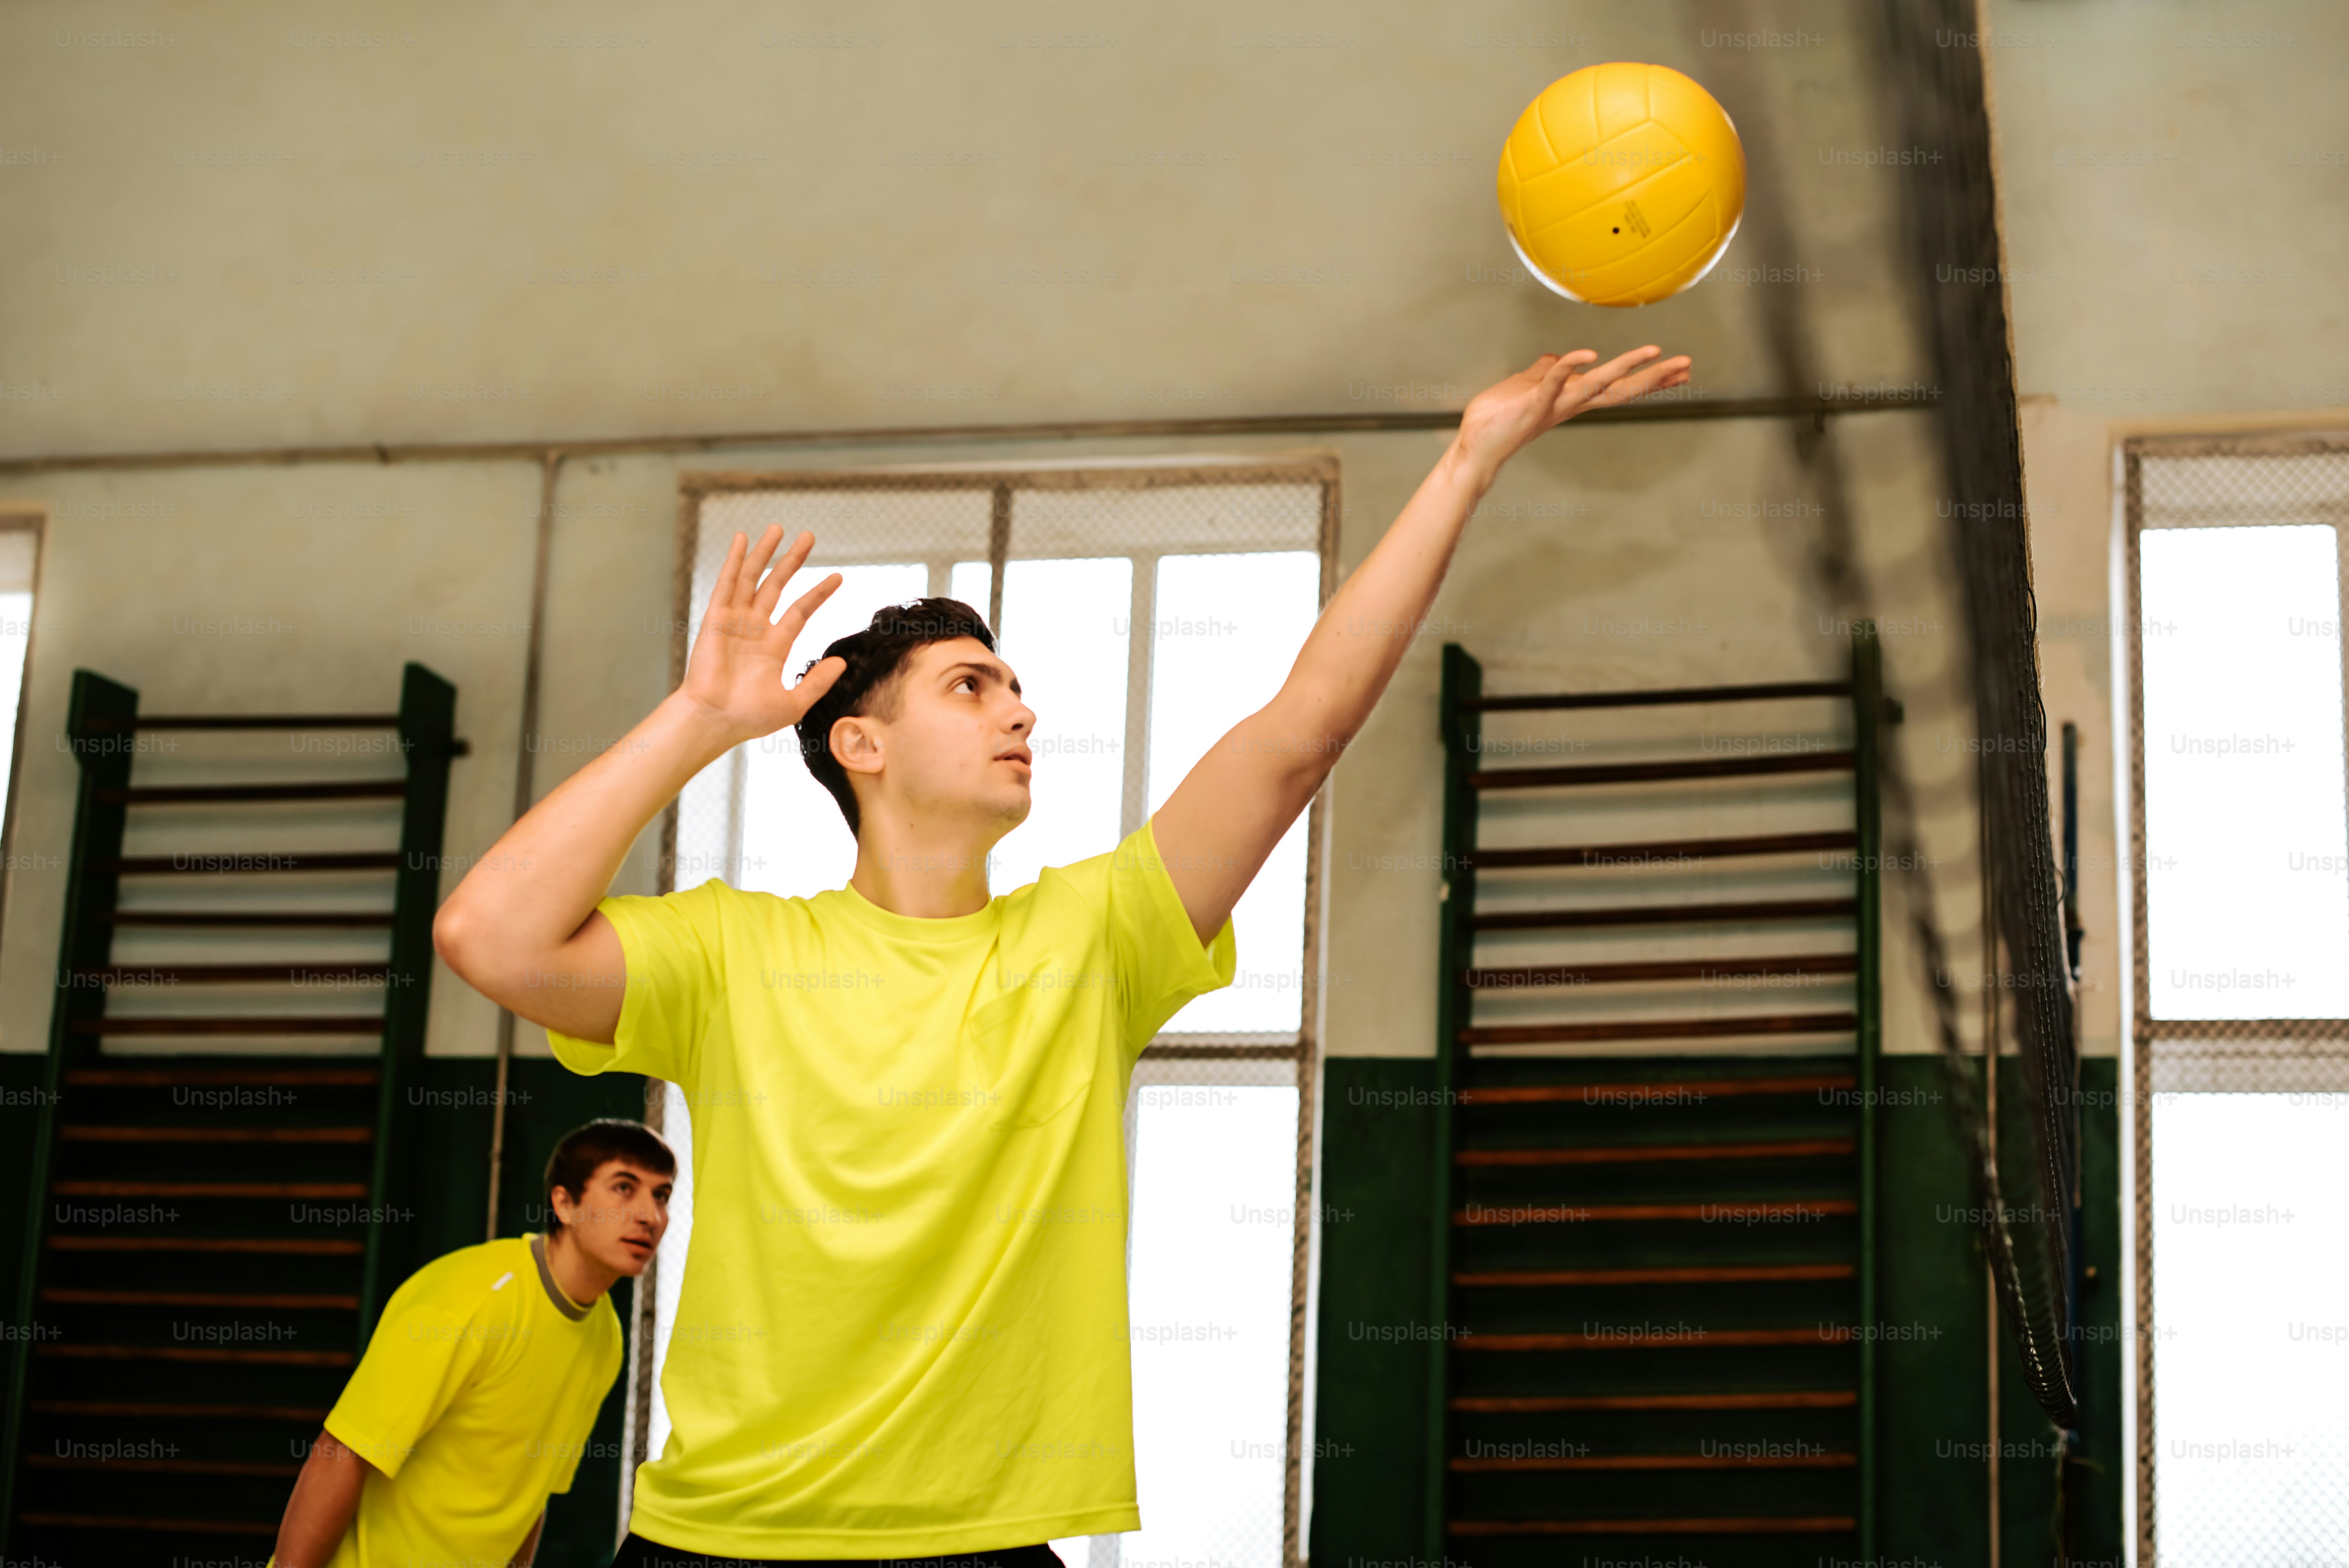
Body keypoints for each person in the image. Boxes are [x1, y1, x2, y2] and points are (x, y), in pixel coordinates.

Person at [432, 345, 1691, 1566]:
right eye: (970, 687)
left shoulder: (1091, 936)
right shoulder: (730, 949)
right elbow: (486, 935)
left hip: (979, 1543)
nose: (1022, 710)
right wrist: (700, 716)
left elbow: (1298, 734)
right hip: (718, 1539)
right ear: (859, 747)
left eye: (1017, 688)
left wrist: (1467, 460)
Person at [267, 1119, 675, 1568]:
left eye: (661, 1194)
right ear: (565, 1203)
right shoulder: (469, 1298)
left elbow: (530, 1493)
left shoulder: (606, 1336)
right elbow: (340, 1455)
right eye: (623, 1187)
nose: (648, 1215)